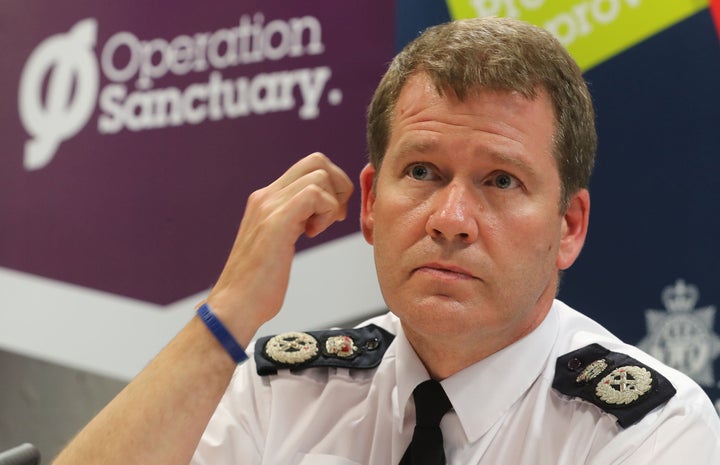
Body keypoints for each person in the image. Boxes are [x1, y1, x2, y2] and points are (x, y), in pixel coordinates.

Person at [52, 16, 720, 465]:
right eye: (423, 171)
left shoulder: (649, 429)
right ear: (370, 202)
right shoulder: (281, 388)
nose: (451, 217)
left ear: (568, 226)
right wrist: (225, 316)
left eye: (501, 180)